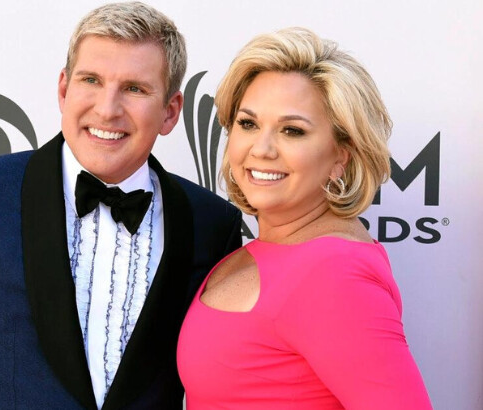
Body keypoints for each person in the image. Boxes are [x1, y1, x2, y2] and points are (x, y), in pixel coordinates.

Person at [0, 2, 241, 409]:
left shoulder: (212, 223)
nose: (107, 108)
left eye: (135, 88)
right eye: (91, 80)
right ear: (64, 89)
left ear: (170, 112)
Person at [177, 27, 432, 409]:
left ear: (340, 156)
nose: (260, 149)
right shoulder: (262, 249)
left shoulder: (334, 272)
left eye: (292, 131)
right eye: (248, 124)